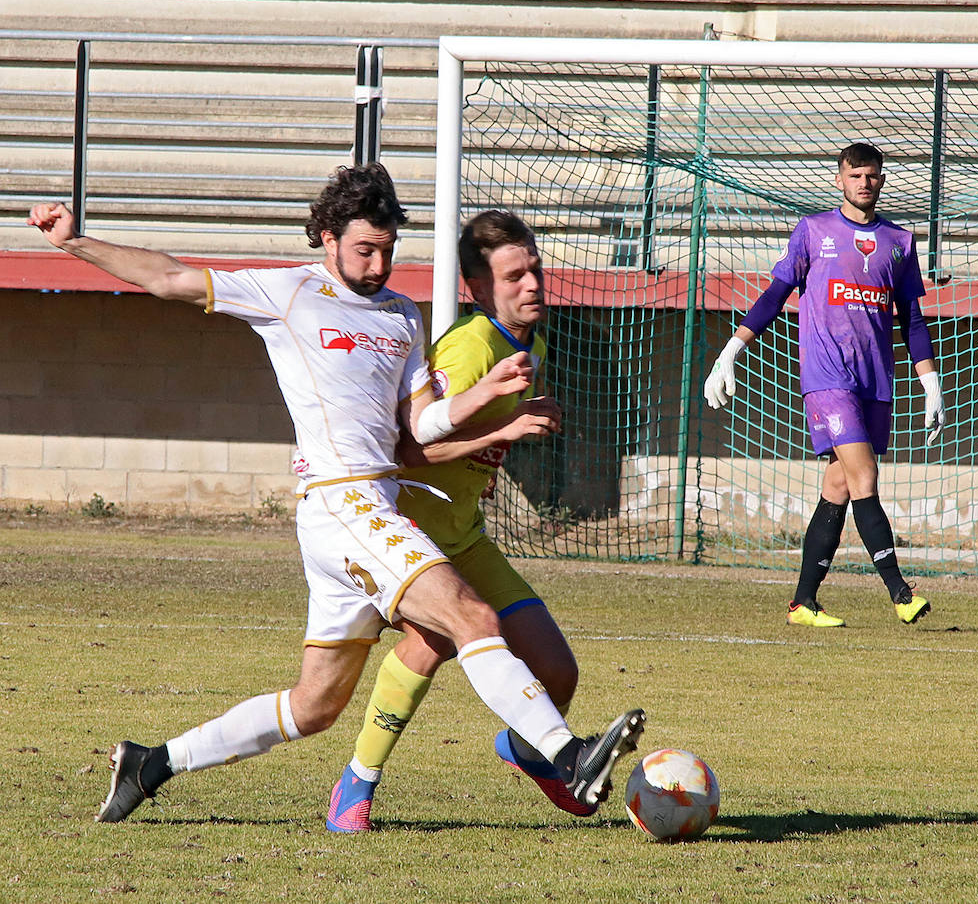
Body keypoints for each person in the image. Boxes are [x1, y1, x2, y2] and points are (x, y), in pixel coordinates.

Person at [27, 163, 645, 825]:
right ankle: (570, 755)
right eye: (364, 250)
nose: (378, 265)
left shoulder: (403, 317)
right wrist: (75, 241)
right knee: (472, 617)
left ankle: (150, 764)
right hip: (339, 503)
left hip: (372, 510)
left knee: (313, 707)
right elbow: (170, 277)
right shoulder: (287, 292)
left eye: (387, 250)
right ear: (326, 237)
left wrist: (483, 397)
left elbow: (422, 426)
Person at [326, 210, 590, 832]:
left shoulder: (532, 340)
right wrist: (508, 428)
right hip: (408, 533)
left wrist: (526, 415)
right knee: (436, 638)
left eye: (536, 271)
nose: (532, 285)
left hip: (464, 532)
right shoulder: (470, 347)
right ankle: (355, 786)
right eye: (514, 276)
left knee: (557, 671)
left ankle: (527, 750)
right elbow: (409, 449)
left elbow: (484, 430)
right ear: (477, 288)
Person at [704, 142, 945, 628]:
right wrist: (730, 352)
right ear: (840, 179)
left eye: (872, 175)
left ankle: (802, 604)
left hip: (875, 380)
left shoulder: (899, 241)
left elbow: (912, 319)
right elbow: (775, 295)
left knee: (837, 485)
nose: (865, 183)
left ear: (881, 180)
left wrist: (931, 384)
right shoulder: (814, 231)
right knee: (864, 477)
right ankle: (900, 592)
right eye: (855, 175)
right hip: (827, 379)